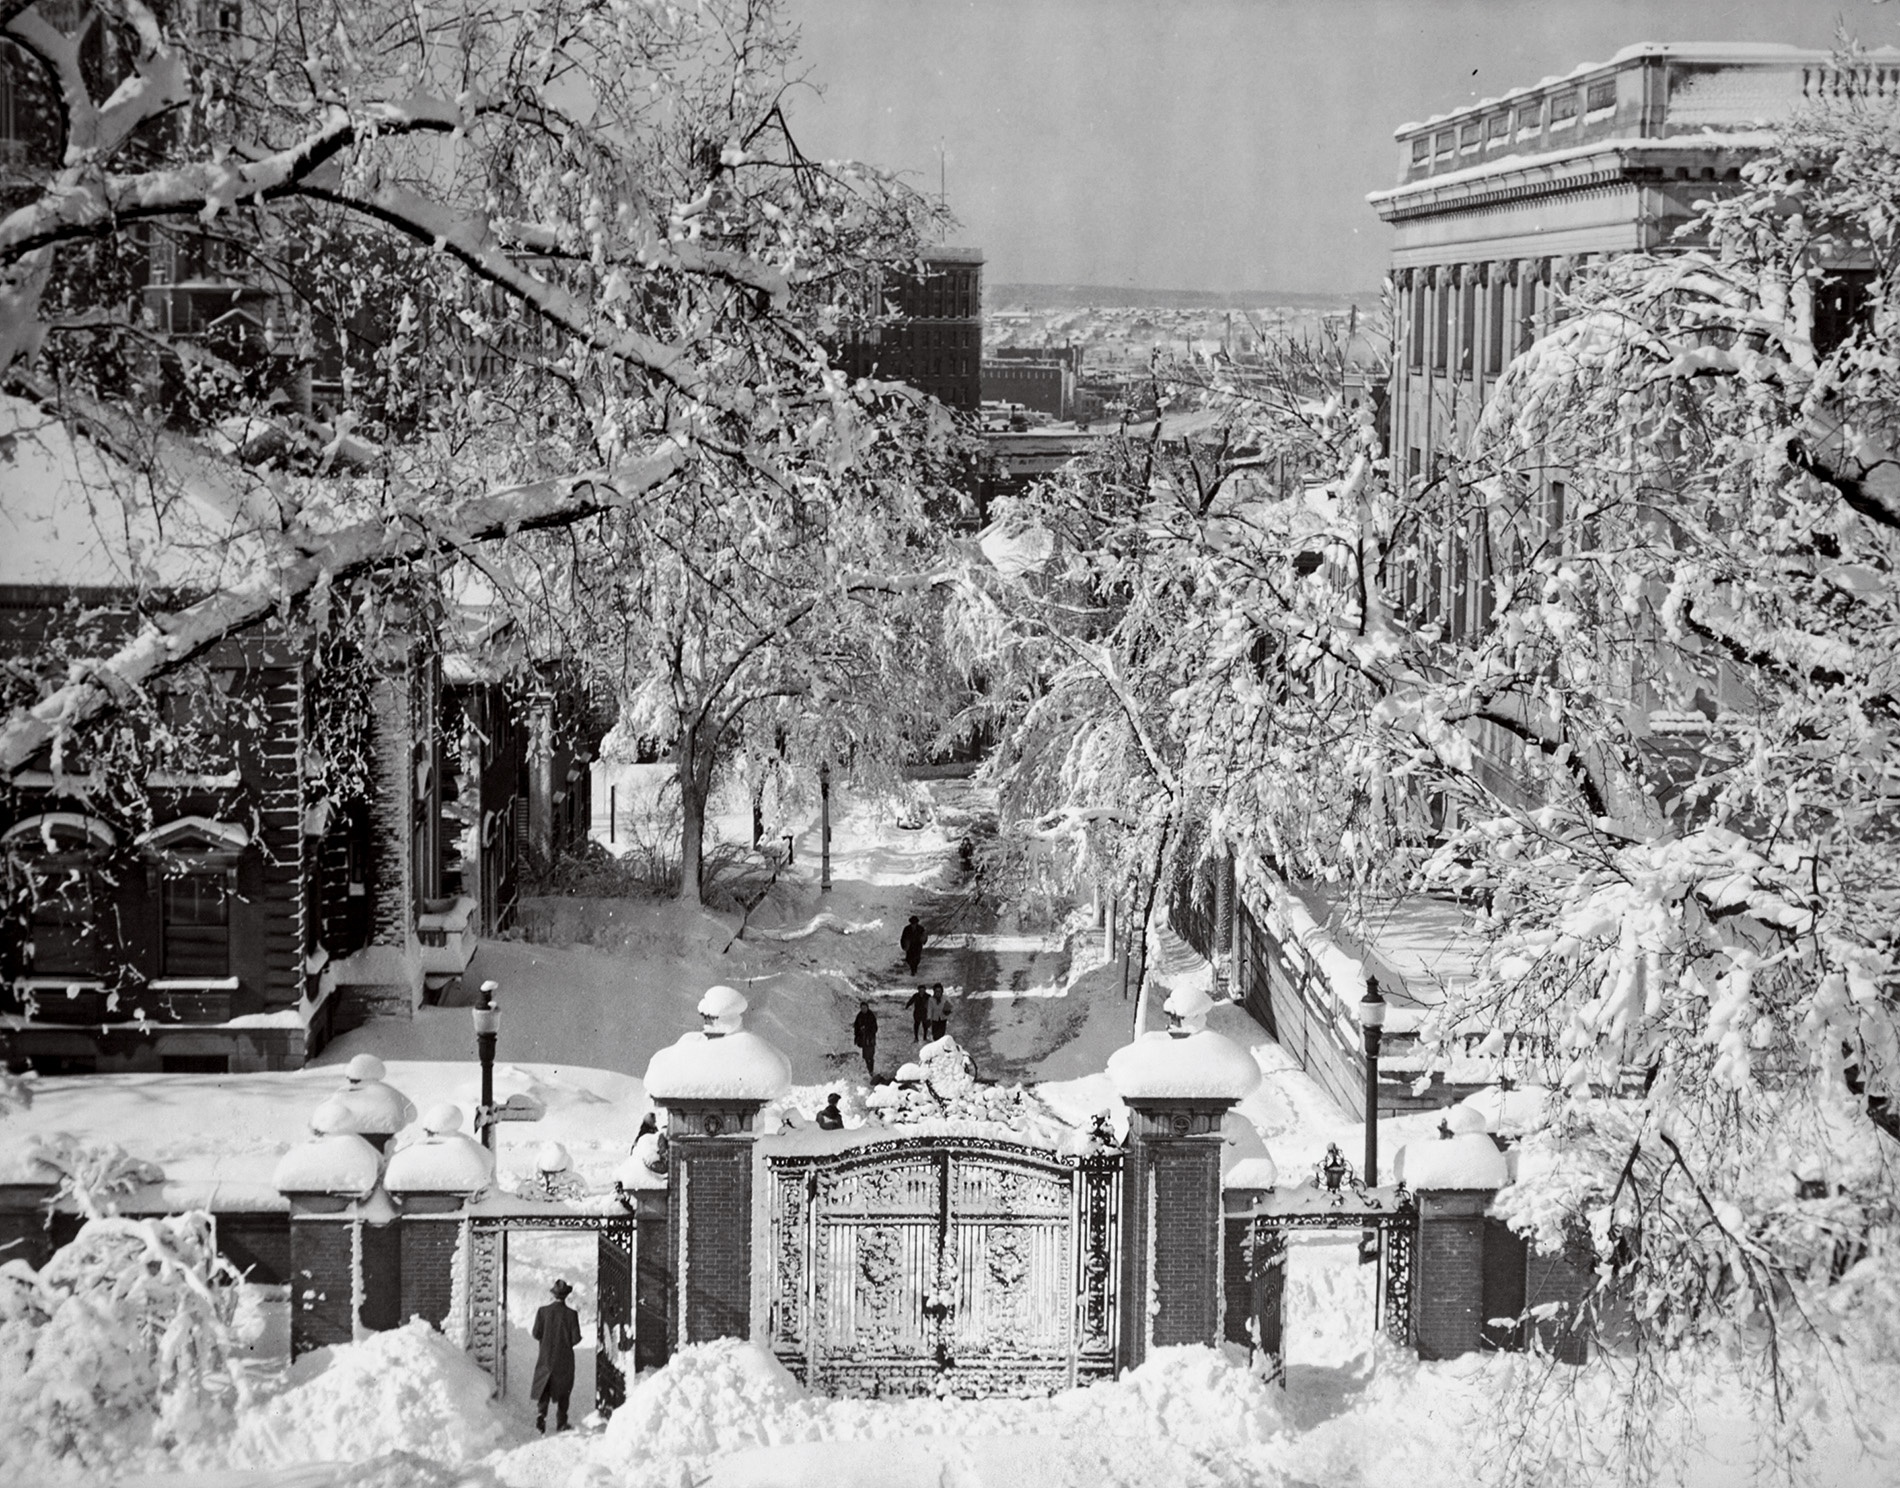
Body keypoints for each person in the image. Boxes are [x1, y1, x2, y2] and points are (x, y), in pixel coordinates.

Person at [531, 1279, 583, 1434]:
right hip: (564, 1358)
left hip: (546, 1356)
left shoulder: (542, 1312)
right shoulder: (571, 1314)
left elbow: (536, 1333)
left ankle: (541, 1414)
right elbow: (575, 1339)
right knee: (564, 1389)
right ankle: (561, 1422)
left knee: (544, 1386)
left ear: (553, 1295)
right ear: (566, 1296)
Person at [852, 1001, 878, 1078]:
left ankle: (871, 1071)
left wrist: (866, 1029)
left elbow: (875, 1028)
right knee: (865, 1057)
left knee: (870, 1056)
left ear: (867, 1007)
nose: (863, 1009)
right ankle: (869, 1071)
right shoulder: (859, 1016)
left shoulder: (871, 1015)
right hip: (863, 1040)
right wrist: (856, 1037)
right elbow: (856, 1028)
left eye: (865, 1008)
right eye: (862, 1008)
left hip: (870, 1039)